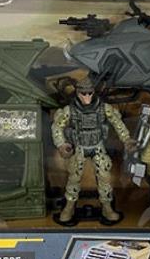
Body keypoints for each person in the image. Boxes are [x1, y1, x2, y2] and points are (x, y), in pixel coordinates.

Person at [52, 77, 136, 224]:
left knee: (105, 177)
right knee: (74, 179)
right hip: (79, 147)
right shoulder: (70, 110)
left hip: (98, 146)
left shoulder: (104, 108)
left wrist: (126, 139)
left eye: (90, 93)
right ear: (77, 93)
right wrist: (61, 144)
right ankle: (69, 208)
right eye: (83, 94)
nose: (87, 97)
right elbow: (57, 126)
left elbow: (118, 123)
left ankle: (107, 208)